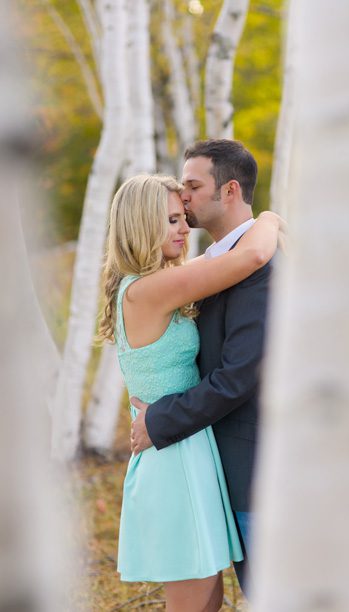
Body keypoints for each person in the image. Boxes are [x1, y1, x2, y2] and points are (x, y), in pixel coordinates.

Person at [97, 174, 280, 611]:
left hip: (188, 445)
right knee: (195, 601)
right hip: (172, 457)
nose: (185, 228)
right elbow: (252, 254)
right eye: (172, 220)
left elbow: (222, 258)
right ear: (142, 224)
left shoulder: (159, 281)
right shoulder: (148, 290)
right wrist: (270, 217)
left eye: (182, 217)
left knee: (208, 598)